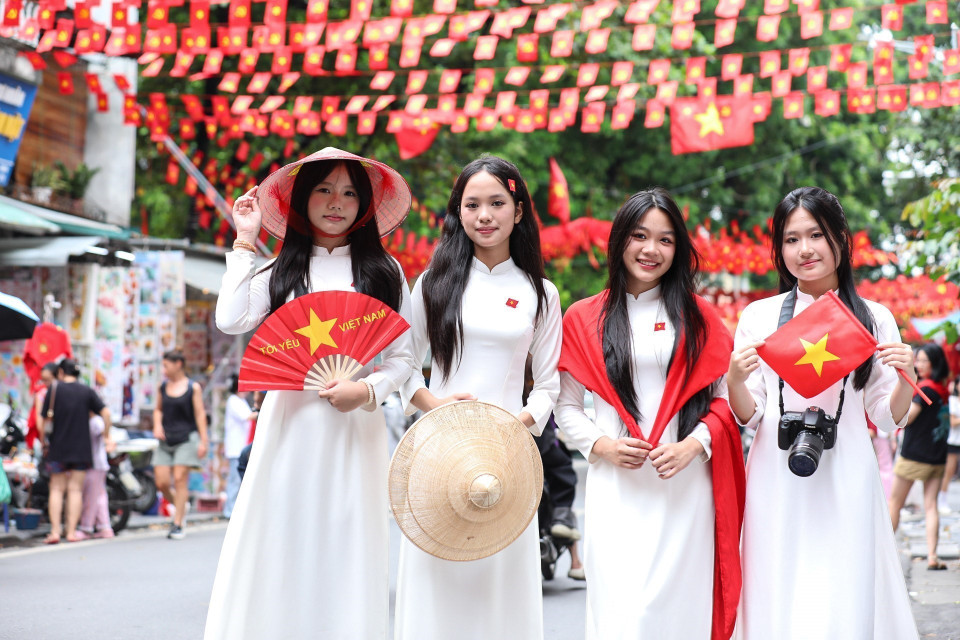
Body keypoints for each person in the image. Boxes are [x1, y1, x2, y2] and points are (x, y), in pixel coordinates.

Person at [207, 147, 417, 640]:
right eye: (323, 190)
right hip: (288, 427)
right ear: (302, 199)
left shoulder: (384, 274)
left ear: (364, 206)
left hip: (355, 429)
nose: (335, 202)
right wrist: (244, 242)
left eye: (348, 193)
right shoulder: (278, 272)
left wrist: (366, 390)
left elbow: (404, 359)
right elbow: (230, 319)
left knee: (347, 540)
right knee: (282, 536)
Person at [727, 187, 918, 638]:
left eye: (816, 234)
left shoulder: (873, 317)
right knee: (777, 584)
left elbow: (886, 417)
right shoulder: (760, 315)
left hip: (846, 471)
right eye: (791, 239)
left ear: (841, 238)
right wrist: (735, 380)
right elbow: (750, 416)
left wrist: (905, 380)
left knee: (844, 589)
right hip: (776, 473)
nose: (804, 249)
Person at [555, 188, 745, 640]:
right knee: (623, 614)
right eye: (640, 235)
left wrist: (692, 446)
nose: (650, 250)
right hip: (615, 486)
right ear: (620, 239)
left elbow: (724, 401)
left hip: (683, 486)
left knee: (680, 611)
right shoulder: (583, 318)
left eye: (665, 240)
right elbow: (565, 407)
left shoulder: (700, 317)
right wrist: (603, 445)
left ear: (678, 249)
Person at [394, 156, 562, 640]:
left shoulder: (541, 292)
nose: (484, 215)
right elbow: (403, 361)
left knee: (500, 583)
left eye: (496, 203)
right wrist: (433, 405)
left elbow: (548, 383)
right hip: (437, 454)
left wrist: (520, 422)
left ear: (519, 210)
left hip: (506, 457)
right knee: (438, 577)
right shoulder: (432, 283)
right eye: (472, 205)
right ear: (458, 213)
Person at [887, 342, 951, 570]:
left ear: (934, 363)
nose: (919, 364)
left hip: (914, 455)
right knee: (931, 506)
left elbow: (908, 417)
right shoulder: (943, 389)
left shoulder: (925, 389)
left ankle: (884, 553)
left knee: (894, 503)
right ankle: (932, 555)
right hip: (937, 455)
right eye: (918, 359)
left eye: (924, 360)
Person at [39, 359, 113, 544]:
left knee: (56, 489)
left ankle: (55, 532)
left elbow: (42, 419)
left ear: (62, 372)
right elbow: (106, 413)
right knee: (75, 490)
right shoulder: (87, 391)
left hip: (58, 447)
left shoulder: (55, 389)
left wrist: (43, 441)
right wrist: (107, 436)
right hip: (81, 449)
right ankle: (72, 532)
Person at [153, 349, 209, 540]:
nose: (164, 369)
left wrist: (204, 440)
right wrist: (157, 425)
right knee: (161, 482)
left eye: (166, 365)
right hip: (165, 439)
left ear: (178, 364)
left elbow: (200, 414)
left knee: (179, 478)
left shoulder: (193, 387)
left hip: (187, 438)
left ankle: (177, 524)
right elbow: (158, 410)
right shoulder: (162, 387)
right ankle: (181, 505)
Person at [74, 410, 113, 539]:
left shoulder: (94, 422)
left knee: (90, 498)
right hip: (99, 464)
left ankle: (86, 528)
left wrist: (107, 437)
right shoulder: (94, 421)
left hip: (95, 465)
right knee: (100, 496)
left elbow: (105, 431)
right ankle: (104, 527)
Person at [222, 374, 255, 518]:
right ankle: (229, 511)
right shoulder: (234, 401)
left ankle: (233, 510)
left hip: (241, 446)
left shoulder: (241, 401)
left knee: (239, 481)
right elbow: (247, 416)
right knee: (235, 481)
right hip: (236, 447)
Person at [943, 374, 960, 513]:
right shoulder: (953, 400)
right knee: (949, 472)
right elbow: (953, 422)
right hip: (954, 441)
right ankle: (942, 499)